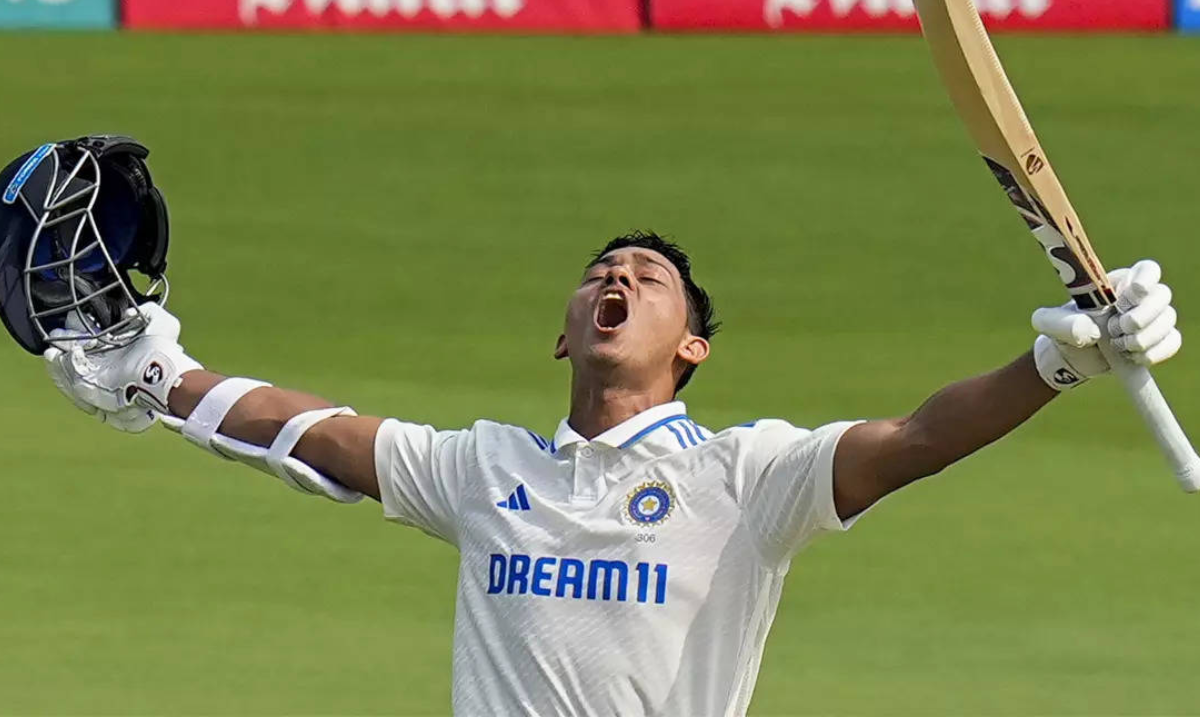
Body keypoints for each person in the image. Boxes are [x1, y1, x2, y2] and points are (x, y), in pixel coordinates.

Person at [44, 230, 1182, 717]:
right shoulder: (483, 468)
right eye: (598, 273)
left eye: (645, 277)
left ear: (692, 343)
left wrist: (1056, 362)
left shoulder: (751, 476)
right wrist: (162, 378)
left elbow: (920, 437)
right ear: (565, 332)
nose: (615, 282)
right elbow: (318, 433)